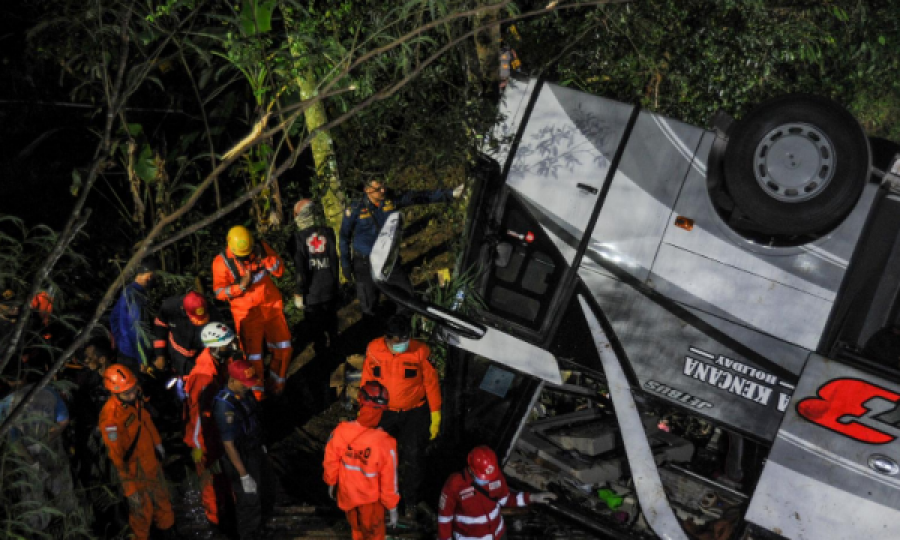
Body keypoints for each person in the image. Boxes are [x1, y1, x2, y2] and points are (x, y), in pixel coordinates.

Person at [339, 178, 463, 318]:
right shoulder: (355, 209)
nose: (383, 190)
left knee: (406, 296)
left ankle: (403, 327)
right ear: (367, 190)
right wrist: (345, 264)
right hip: (364, 262)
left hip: (388, 260)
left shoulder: (391, 200)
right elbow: (344, 236)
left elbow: (419, 197)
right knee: (368, 305)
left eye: (383, 186)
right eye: (378, 189)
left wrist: (451, 193)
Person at [360, 315, 441, 519]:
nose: (402, 346)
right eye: (397, 342)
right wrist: (365, 412)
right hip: (384, 412)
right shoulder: (374, 349)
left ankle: (411, 501)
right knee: (383, 458)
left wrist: (435, 413)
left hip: (414, 412)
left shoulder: (421, 352)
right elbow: (367, 380)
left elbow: (431, 383)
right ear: (387, 338)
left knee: (414, 457)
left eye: (405, 340)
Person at [98, 364, 177, 540]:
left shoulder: (134, 397)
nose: (133, 395)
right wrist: (129, 489)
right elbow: (116, 457)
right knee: (142, 512)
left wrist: (158, 444)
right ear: (114, 392)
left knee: (163, 501)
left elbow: (146, 421)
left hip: (151, 462)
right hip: (134, 472)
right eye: (128, 393)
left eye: (133, 390)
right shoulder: (111, 418)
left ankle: (168, 533)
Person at [0, 356, 78, 532]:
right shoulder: (48, 392)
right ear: (26, 373)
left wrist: (31, 461)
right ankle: (72, 526)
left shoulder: (4, 406)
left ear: (5, 379)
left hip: (27, 460)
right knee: (63, 491)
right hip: (52, 451)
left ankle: (40, 532)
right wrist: (47, 440)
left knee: (34, 502)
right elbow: (63, 421)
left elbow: (14, 441)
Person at [212, 225, 292, 397]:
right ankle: (257, 397)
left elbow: (279, 271)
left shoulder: (261, 248)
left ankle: (277, 387)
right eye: (242, 255)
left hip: (271, 307)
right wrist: (240, 286)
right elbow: (219, 292)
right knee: (253, 359)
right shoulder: (222, 262)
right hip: (246, 315)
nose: (247, 257)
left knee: (284, 348)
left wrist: (267, 260)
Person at [323, 381, 399, 540]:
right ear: (383, 408)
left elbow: (331, 459)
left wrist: (331, 483)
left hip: (347, 496)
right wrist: (392, 507)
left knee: (356, 532)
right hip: (371, 503)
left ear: (360, 402)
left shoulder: (342, 431)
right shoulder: (385, 443)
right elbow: (389, 480)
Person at [212, 358, 277, 539]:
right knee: (249, 500)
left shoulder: (244, 395)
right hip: (240, 457)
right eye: (245, 383)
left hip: (254, 449)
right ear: (232, 381)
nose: (248, 387)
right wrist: (243, 475)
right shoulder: (225, 406)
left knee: (266, 491)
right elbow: (229, 445)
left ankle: (259, 528)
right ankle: (249, 534)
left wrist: (262, 446)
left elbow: (254, 421)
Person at [437, 446, 557, 540]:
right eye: (484, 477)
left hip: (498, 535)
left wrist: (532, 497)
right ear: (470, 469)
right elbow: (444, 518)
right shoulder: (454, 484)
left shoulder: (495, 475)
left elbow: (506, 499)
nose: (488, 480)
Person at [184, 322, 238, 530]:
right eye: (227, 344)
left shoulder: (218, 365)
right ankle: (216, 521)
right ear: (215, 347)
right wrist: (200, 447)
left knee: (223, 476)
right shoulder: (203, 377)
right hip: (205, 440)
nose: (231, 346)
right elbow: (196, 416)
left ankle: (228, 510)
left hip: (217, 434)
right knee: (210, 481)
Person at [292, 198, 340, 355]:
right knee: (332, 323)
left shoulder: (298, 239)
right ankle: (335, 351)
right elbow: (334, 260)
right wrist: (336, 282)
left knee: (316, 329)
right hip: (329, 286)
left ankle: (322, 359)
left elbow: (301, 269)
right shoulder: (328, 232)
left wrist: (299, 291)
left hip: (312, 292)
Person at [153, 290, 223, 377]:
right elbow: (160, 328)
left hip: (199, 356)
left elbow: (219, 340)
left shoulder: (214, 314)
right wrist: (160, 354)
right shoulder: (170, 308)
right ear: (183, 308)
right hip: (174, 355)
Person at [110, 258, 159, 374]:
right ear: (149, 275)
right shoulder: (136, 296)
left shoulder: (128, 291)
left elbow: (114, 317)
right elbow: (137, 330)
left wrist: (120, 341)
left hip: (124, 350)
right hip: (134, 356)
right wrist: (142, 359)